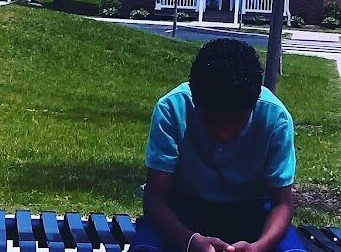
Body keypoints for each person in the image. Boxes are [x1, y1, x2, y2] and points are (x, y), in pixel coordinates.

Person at [130, 38, 305, 252]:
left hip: (251, 212)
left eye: (237, 122)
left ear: (254, 104)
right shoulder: (171, 109)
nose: (224, 133)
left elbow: (282, 204)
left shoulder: (275, 118)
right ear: (195, 100)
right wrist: (189, 241)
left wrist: (259, 247)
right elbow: (155, 199)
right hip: (182, 212)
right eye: (212, 121)